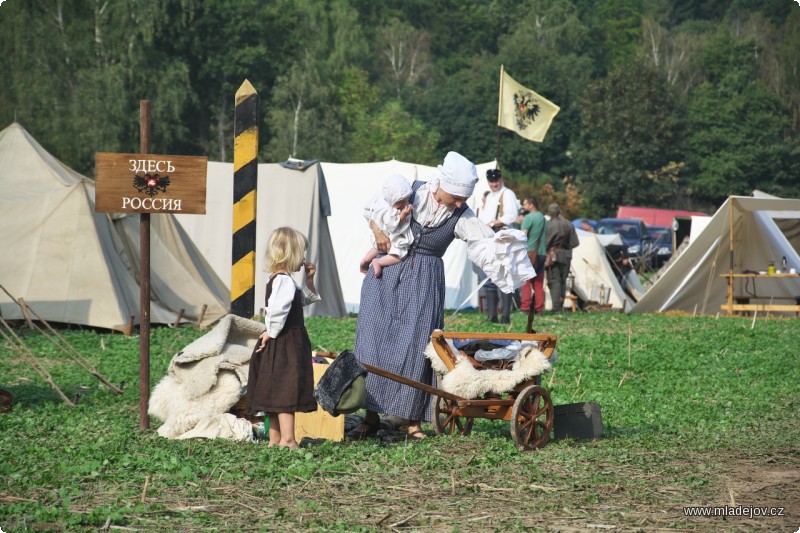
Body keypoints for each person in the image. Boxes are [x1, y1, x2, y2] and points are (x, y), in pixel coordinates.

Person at [348, 151, 495, 440]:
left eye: (465, 197)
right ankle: (371, 415)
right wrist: (377, 230)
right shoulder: (410, 190)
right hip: (385, 273)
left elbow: (484, 242)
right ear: (443, 184)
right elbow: (372, 210)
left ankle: (412, 421)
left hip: (425, 279)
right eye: (457, 196)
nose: (461, 202)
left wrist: (506, 253)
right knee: (373, 342)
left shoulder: (461, 215)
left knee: (417, 347)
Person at [245, 227, 320, 449]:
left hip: (281, 338)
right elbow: (277, 311)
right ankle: (287, 439)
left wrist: (309, 280)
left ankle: (275, 438)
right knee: (286, 389)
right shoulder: (284, 281)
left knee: (275, 386)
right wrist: (271, 332)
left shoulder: (283, 280)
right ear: (292, 253)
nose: (304, 259)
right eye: (302, 253)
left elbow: (300, 302)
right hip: (286, 340)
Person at [475, 168, 519, 324]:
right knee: (489, 277)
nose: (494, 184)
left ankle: (505, 316)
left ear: (501, 179)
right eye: (491, 181)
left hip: (502, 237)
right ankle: (491, 315)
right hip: (488, 239)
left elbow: (512, 215)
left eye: (496, 181)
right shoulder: (488, 196)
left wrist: (493, 223)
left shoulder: (507, 194)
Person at [360, 174, 414, 278]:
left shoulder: (379, 203)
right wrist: (403, 215)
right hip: (390, 237)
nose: (404, 204)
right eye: (401, 202)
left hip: (380, 237)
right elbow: (392, 226)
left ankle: (365, 260)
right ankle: (379, 262)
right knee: (401, 254)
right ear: (392, 200)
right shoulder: (389, 211)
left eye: (407, 200)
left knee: (376, 248)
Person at [545, 203, 579, 312]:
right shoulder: (569, 224)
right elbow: (575, 243)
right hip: (567, 255)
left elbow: (546, 243)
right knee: (563, 281)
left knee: (555, 281)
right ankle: (560, 306)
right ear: (559, 212)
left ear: (550, 213)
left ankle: (556, 308)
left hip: (554, 255)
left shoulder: (550, 225)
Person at [518, 197, 546, 314]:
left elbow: (522, 235)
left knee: (525, 282)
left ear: (531, 205)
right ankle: (539, 308)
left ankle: (525, 307)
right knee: (538, 283)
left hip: (529, 253)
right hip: (542, 253)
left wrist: (519, 223)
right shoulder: (543, 218)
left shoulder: (528, 218)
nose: (523, 206)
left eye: (525, 204)